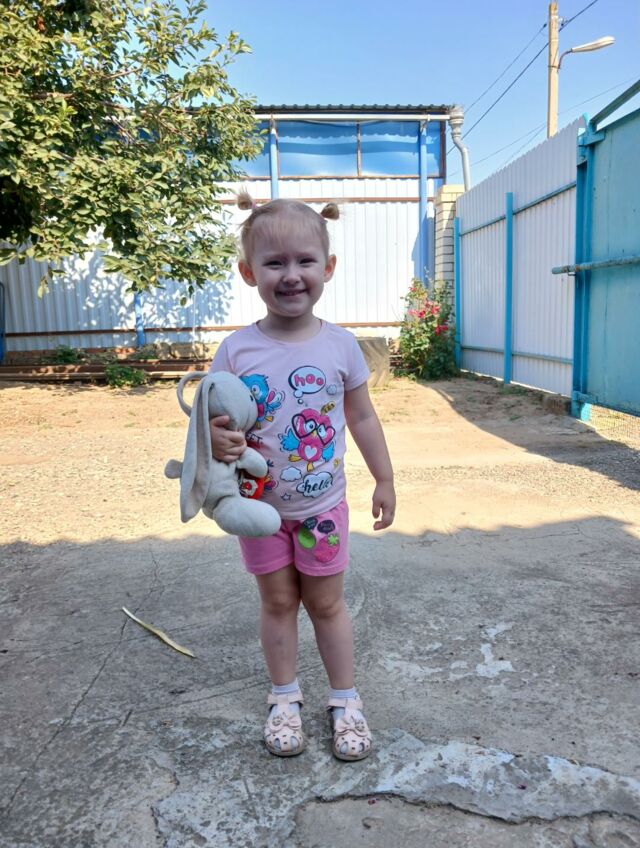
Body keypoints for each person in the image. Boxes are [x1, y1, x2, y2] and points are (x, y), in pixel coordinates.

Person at [209, 190, 395, 761]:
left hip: (322, 511)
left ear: (328, 268)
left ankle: (345, 700)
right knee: (277, 603)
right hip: (258, 513)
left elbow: (362, 416)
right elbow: (212, 423)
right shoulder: (236, 351)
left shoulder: (341, 346)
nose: (291, 275)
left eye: (304, 261)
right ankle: (284, 697)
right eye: (274, 263)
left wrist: (384, 479)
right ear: (249, 273)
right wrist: (217, 439)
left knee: (328, 605)